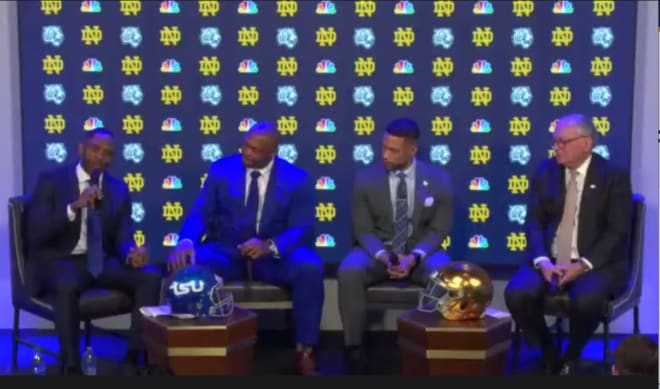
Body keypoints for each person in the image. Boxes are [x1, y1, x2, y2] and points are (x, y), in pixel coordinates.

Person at [168, 121, 325, 376]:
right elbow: (200, 213)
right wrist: (185, 243)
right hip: (228, 251)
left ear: (272, 152)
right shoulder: (221, 170)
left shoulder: (297, 179)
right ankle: (190, 350)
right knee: (188, 263)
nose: (247, 153)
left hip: (272, 256)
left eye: (255, 149)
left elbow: (302, 228)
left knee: (310, 266)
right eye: (245, 146)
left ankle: (304, 350)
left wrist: (270, 245)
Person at [25, 128, 162, 375]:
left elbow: (122, 235)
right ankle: (71, 366)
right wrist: (73, 207)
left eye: (108, 154)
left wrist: (131, 251)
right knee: (67, 285)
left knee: (150, 276)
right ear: (81, 149)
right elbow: (36, 232)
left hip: (100, 261)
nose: (101, 157)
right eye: (95, 150)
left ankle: (133, 358)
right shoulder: (51, 181)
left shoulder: (118, 189)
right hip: (59, 260)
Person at [504, 113, 633, 375]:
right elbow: (533, 222)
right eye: (555, 141)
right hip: (548, 260)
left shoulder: (613, 176)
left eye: (563, 141)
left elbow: (617, 232)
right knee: (517, 294)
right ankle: (549, 352)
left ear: (586, 143)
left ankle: (571, 357)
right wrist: (541, 261)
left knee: (586, 301)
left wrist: (583, 265)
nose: (556, 147)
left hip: (595, 264)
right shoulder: (545, 171)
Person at [337, 118, 454, 374]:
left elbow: (438, 230)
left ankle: (432, 347)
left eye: (393, 150)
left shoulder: (439, 179)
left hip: (421, 251)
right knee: (349, 271)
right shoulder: (365, 178)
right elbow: (363, 230)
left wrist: (414, 256)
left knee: (444, 275)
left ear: (412, 150)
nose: (385, 155)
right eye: (383, 148)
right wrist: (383, 255)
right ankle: (353, 348)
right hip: (378, 250)